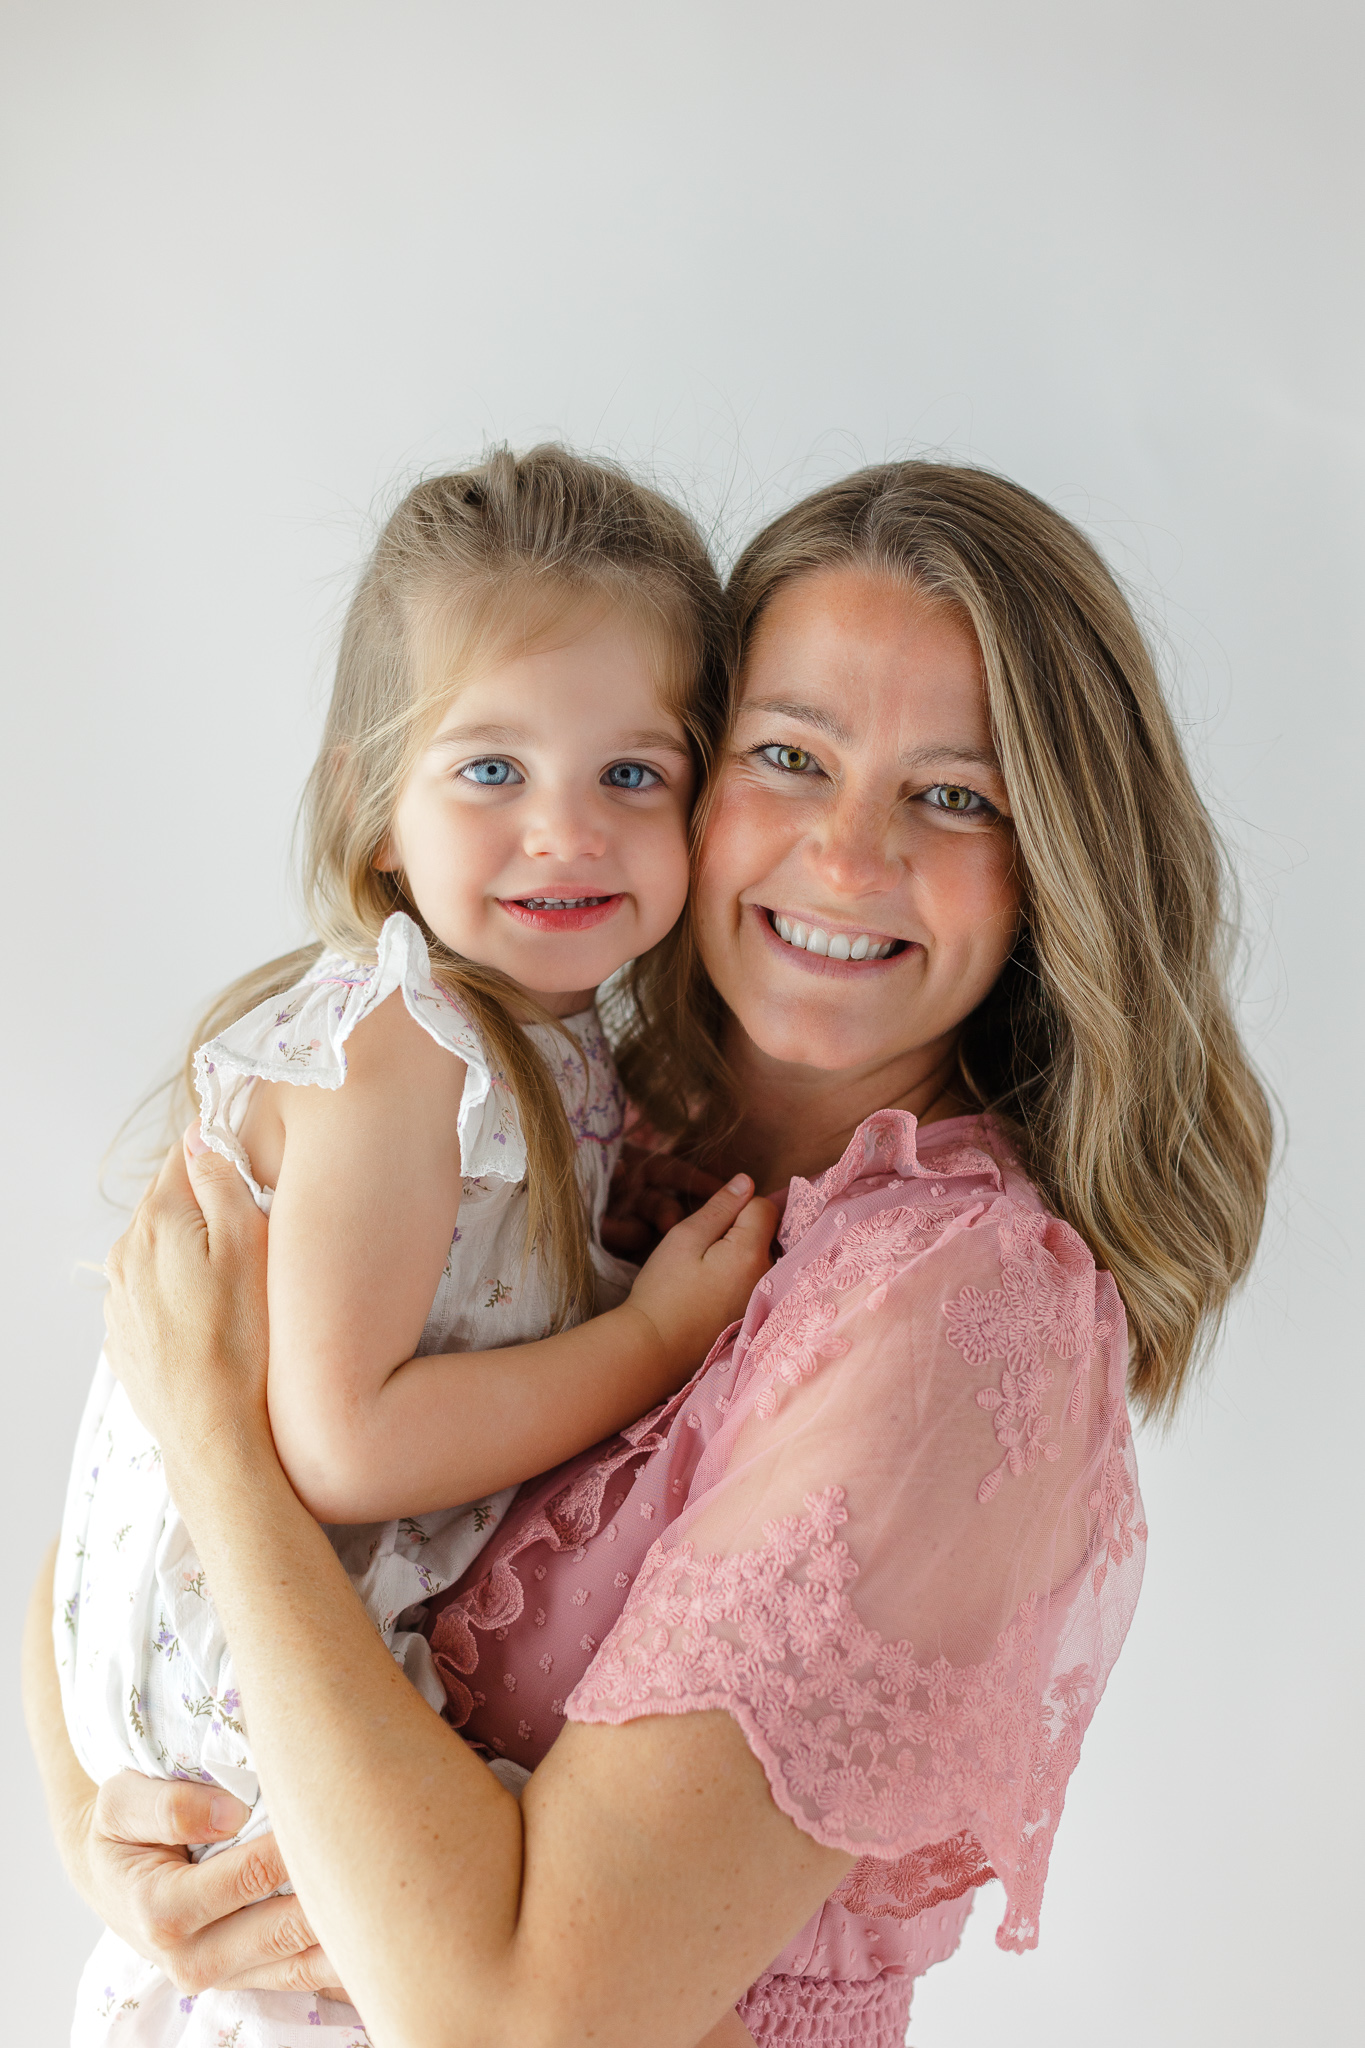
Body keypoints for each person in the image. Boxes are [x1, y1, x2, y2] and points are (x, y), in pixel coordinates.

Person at [25, 459, 1273, 2048]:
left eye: (953, 795)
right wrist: (117, 1848)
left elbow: (526, 2022)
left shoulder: (960, 1311)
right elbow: (105, 1542)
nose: (844, 852)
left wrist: (222, 1440)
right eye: (787, 756)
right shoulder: (583, 1116)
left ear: (1057, 872)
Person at [47, 445, 777, 2046]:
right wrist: (649, 1341)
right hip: (231, 1689)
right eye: (491, 772)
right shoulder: (412, 1043)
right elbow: (345, 1434)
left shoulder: (540, 1050)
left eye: (631, 776)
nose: (565, 835)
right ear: (376, 804)